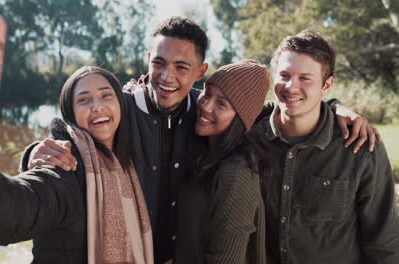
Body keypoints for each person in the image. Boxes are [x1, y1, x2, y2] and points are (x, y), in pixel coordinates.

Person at [21, 17, 382, 263]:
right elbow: (78, 126)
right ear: (147, 62)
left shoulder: (234, 166)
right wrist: (36, 151)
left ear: (199, 70)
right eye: (159, 63)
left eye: (181, 67)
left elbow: (280, 103)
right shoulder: (129, 108)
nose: (167, 77)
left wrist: (335, 108)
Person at [0, 66, 154, 264]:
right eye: (84, 100)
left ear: (121, 105)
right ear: (70, 114)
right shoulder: (65, 165)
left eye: (107, 96)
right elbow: (19, 208)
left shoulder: (132, 161)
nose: (97, 106)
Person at [250, 29, 399, 263]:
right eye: (285, 75)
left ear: (327, 85)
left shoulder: (361, 147)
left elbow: (384, 242)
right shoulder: (249, 138)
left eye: (305, 78)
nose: (291, 87)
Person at [175, 60, 270, 264]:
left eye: (222, 103)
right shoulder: (204, 154)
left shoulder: (236, 173)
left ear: (240, 119)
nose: (206, 106)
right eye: (207, 93)